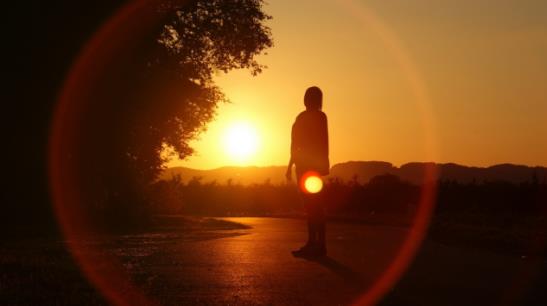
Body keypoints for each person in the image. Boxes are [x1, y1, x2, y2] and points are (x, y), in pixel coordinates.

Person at [286, 86, 329, 257]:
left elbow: (323, 142)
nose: (307, 99)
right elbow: (294, 145)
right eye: (307, 96)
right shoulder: (301, 117)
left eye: (311, 97)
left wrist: (322, 165)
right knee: (310, 207)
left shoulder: (319, 116)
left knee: (315, 206)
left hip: (312, 167)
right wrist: (290, 166)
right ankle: (313, 244)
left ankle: (319, 245)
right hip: (302, 166)